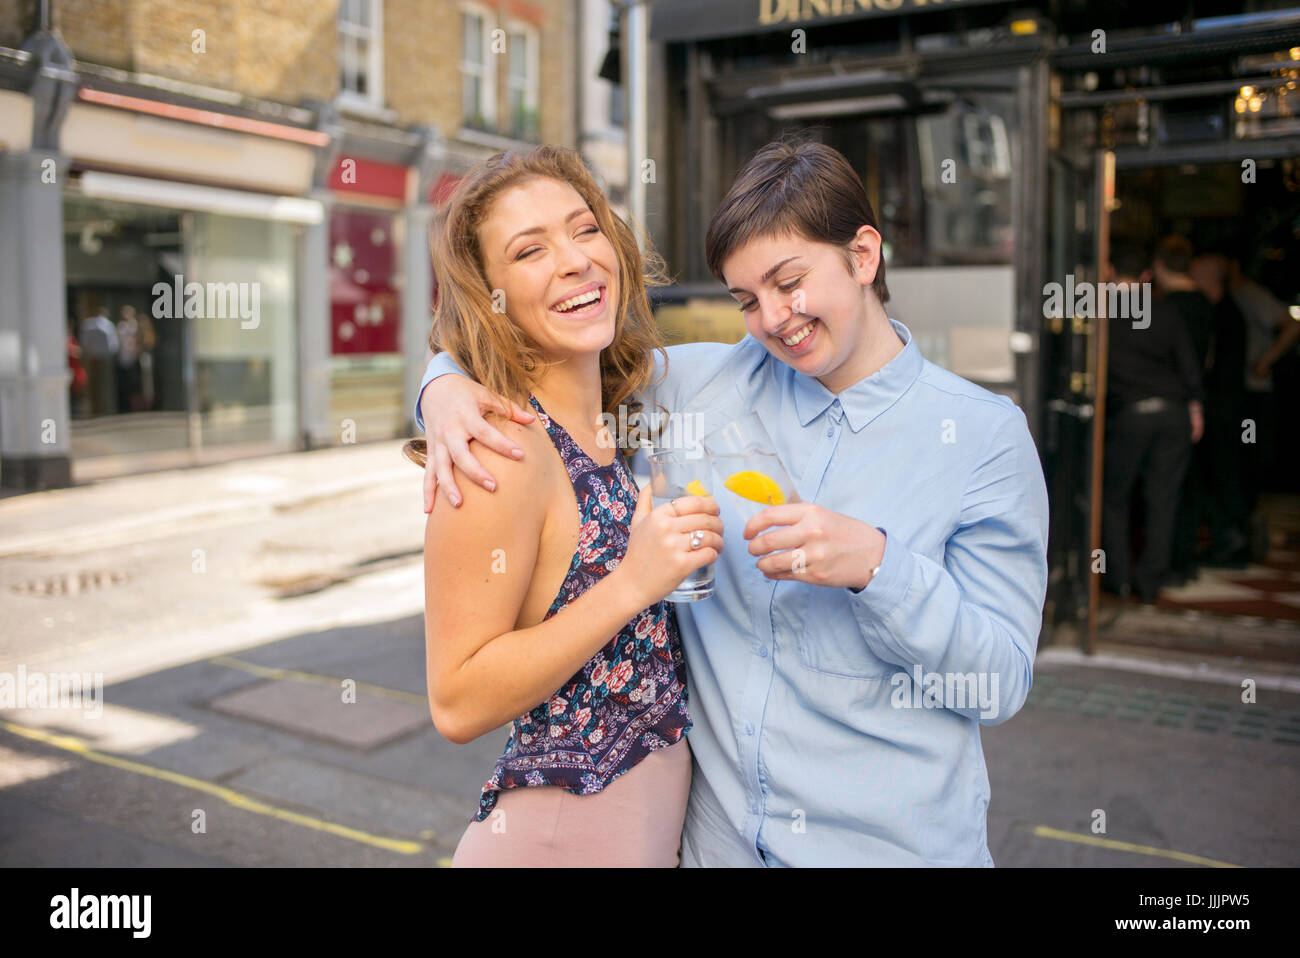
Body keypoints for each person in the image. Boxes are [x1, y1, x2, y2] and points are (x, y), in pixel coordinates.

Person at [414, 139, 1049, 866]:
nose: (776, 319)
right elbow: (550, 355)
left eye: (789, 282)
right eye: (747, 300)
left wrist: (879, 567)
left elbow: (999, 684)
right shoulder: (696, 388)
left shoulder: (983, 436)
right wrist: (442, 385)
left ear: (864, 255)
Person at [405, 145, 723, 867]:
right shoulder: (501, 451)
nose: (576, 261)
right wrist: (633, 585)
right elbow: (455, 700)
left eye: (585, 230)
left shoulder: (615, 419)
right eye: (529, 251)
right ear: (491, 295)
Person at [1101, 241, 1203, 606]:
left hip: (1129, 414)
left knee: (1113, 498)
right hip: (1173, 412)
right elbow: (1189, 364)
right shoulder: (1165, 311)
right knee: (1163, 499)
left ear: (1110, 272)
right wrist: (1195, 408)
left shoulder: (1099, 313)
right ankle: (1149, 583)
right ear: (1146, 276)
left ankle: (1118, 579)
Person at [1152, 236, 1214, 586]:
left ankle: (1162, 569)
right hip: (1186, 407)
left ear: (1159, 266)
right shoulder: (1205, 304)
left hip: (1168, 402)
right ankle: (1181, 563)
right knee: (1182, 487)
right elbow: (1205, 359)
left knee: (1161, 492)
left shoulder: (1166, 308)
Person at [1189, 252, 1249, 566]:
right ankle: (1229, 540)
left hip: (1223, 409)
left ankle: (1230, 542)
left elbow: (1208, 363)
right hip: (1228, 406)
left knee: (1221, 474)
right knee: (1224, 473)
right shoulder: (1227, 311)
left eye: (1194, 275)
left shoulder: (1221, 314)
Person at [78, 305, 118, 417]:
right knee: (104, 384)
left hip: (92, 358)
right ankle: (105, 409)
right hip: (103, 358)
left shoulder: (88, 324)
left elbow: (84, 343)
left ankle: (95, 409)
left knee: (94, 385)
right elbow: (113, 344)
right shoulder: (108, 325)